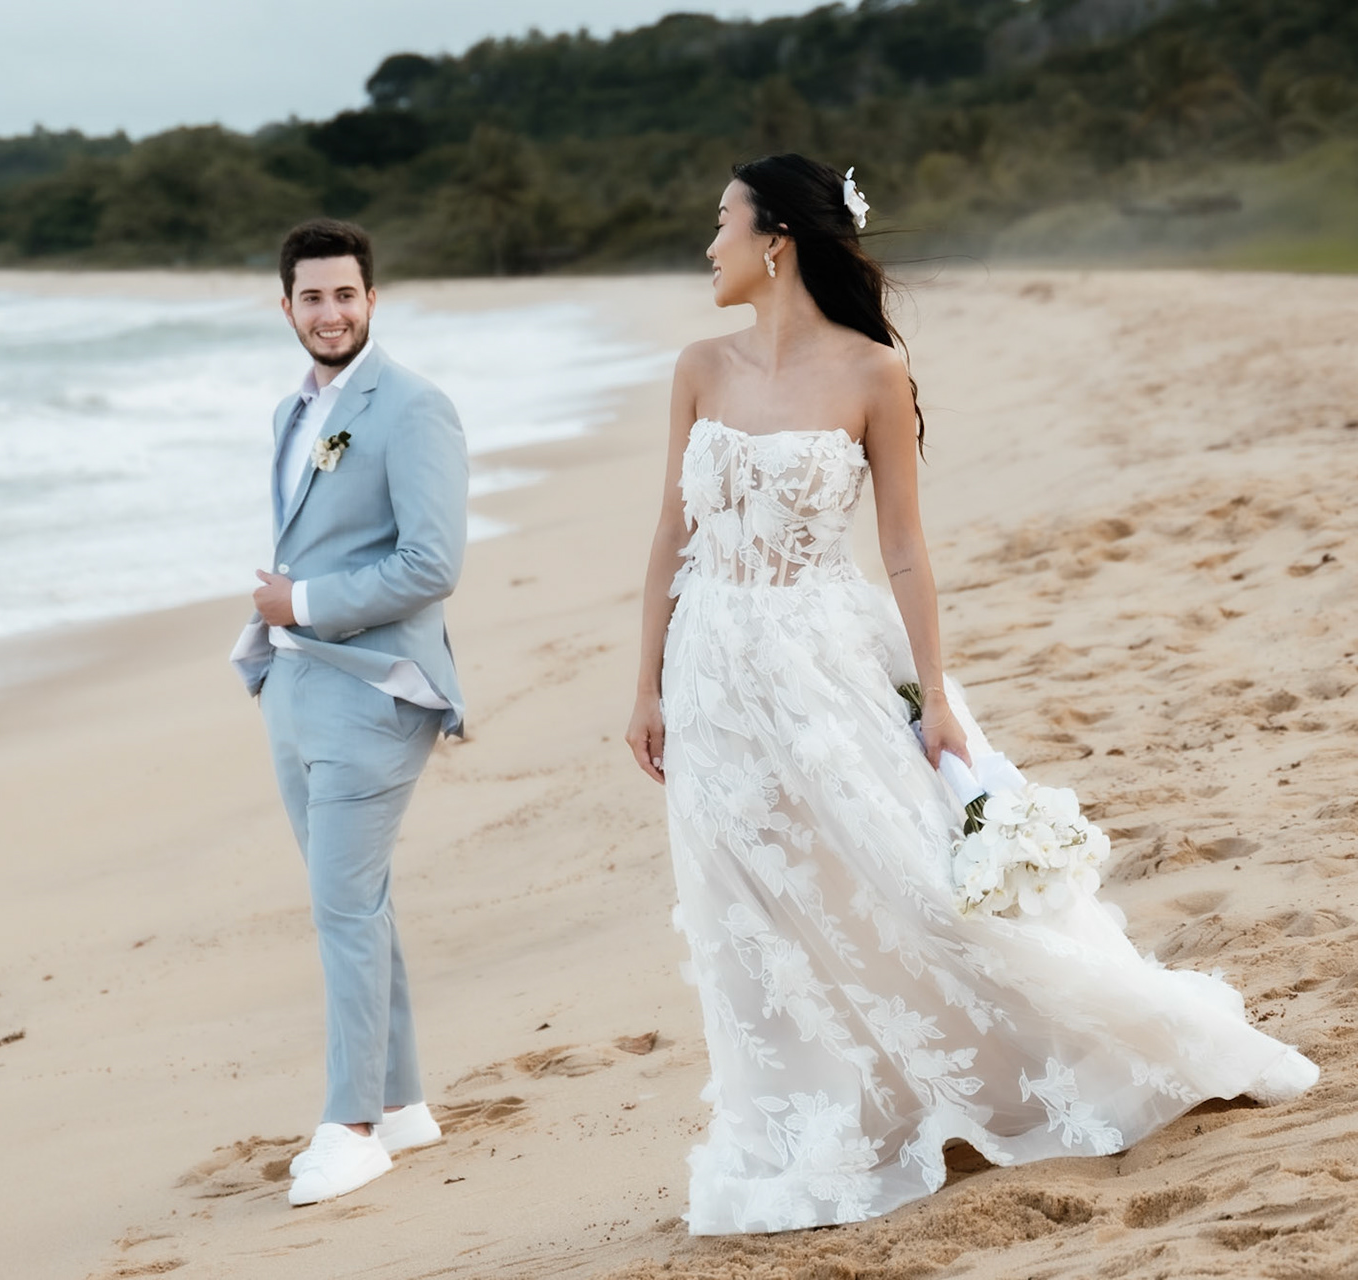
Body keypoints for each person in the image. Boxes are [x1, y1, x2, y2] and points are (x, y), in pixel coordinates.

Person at [622, 153, 1319, 1235]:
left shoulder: (872, 372)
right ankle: (808, 1129)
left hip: (821, 662)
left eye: (722, 221)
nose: (708, 244)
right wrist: (649, 685)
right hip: (712, 671)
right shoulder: (699, 368)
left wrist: (936, 695)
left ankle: (1056, 1057)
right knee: (747, 902)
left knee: (898, 871)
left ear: (777, 241)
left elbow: (903, 547)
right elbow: (673, 532)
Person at [230, 217, 469, 1208]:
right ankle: (401, 1103)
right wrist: (278, 643)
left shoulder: (412, 407)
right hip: (295, 686)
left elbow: (432, 563)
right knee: (357, 902)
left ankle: (353, 1127)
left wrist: (305, 602)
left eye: (345, 295)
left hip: (377, 689)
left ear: (373, 299)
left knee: (342, 910)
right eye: (312, 297)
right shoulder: (291, 414)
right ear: (286, 306)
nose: (329, 313)